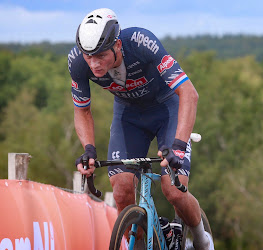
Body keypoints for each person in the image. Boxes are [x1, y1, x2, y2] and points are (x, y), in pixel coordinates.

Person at [68, 8, 214, 250]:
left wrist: (178, 146)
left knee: (174, 190)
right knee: (122, 191)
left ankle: (201, 239)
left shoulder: (140, 42)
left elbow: (189, 93)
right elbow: (82, 110)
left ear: (116, 45)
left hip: (167, 109)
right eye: (88, 56)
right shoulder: (77, 62)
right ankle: (151, 241)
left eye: (101, 55)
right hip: (129, 116)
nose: (94, 63)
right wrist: (89, 149)